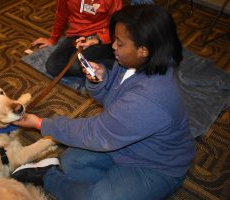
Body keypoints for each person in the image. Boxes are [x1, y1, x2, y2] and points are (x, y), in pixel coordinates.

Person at [12, 4, 196, 200]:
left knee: (99, 196)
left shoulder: (151, 97)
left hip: (157, 165)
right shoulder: (129, 63)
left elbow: (98, 133)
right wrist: (102, 80)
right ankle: (108, 185)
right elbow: (113, 100)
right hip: (125, 145)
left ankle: (48, 177)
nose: (113, 46)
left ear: (143, 50)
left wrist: (41, 124)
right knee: (71, 162)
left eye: (120, 42)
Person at [31, 0, 122, 78]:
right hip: (76, 34)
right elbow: (61, 14)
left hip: (100, 35)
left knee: (76, 67)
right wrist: (53, 38)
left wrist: (99, 38)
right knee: (53, 67)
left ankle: (110, 62)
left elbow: (117, 24)